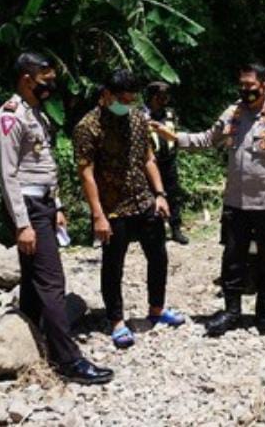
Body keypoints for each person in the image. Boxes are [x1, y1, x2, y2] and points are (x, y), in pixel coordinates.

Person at [152, 63, 265, 336]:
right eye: (242, 85)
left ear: (264, 86)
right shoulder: (232, 114)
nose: (245, 91)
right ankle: (232, 311)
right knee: (232, 257)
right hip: (235, 202)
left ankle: (263, 311)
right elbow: (208, 138)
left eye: (250, 86)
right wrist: (172, 136)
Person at [0, 52, 113, 384]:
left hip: (42, 205)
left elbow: (45, 166)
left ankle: (31, 335)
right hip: (27, 209)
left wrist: (57, 205)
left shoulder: (37, 114)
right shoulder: (10, 117)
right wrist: (22, 224)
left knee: (33, 277)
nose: (51, 85)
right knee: (52, 282)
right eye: (45, 78)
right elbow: (8, 176)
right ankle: (69, 361)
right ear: (26, 78)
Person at [73, 69, 185, 349]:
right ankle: (116, 322)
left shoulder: (136, 117)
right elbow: (86, 174)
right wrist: (98, 214)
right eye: (123, 98)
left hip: (144, 199)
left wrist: (160, 194)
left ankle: (156, 311)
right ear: (106, 95)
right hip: (113, 208)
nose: (128, 104)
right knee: (114, 265)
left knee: (158, 256)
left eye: (132, 99)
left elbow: (148, 158)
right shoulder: (88, 127)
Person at [143, 81, 189, 245]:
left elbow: (175, 134)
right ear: (152, 96)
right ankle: (153, 230)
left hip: (169, 160)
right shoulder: (142, 115)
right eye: (160, 95)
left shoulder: (170, 114)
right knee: (151, 195)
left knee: (173, 194)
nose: (164, 99)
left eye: (166, 95)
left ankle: (175, 228)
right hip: (149, 163)